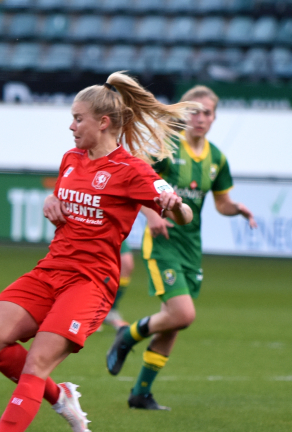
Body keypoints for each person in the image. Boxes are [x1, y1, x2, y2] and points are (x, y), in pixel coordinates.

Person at [0, 72, 195, 432]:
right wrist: (52, 201)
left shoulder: (131, 170)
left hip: (90, 282)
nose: (71, 125)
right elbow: (62, 194)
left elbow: (183, 213)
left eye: (77, 118)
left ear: (103, 122)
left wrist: (174, 204)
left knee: (36, 363)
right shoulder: (71, 160)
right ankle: (59, 395)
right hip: (51, 269)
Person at [106, 85, 257, 410]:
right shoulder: (166, 149)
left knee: (174, 322)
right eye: (195, 112)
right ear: (184, 115)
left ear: (215, 117)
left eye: (207, 113)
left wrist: (238, 209)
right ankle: (129, 335)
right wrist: (150, 216)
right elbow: (137, 185)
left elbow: (222, 203)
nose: (200, 118)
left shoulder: (217, 158)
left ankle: (141, 393)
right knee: (182, 314)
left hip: (191, 247)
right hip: (163, 244)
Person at [103, 239, 133, 329]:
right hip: (90, 227)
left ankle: (110, 311)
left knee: (126, 265)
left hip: (113, 227)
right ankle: (88, 312)